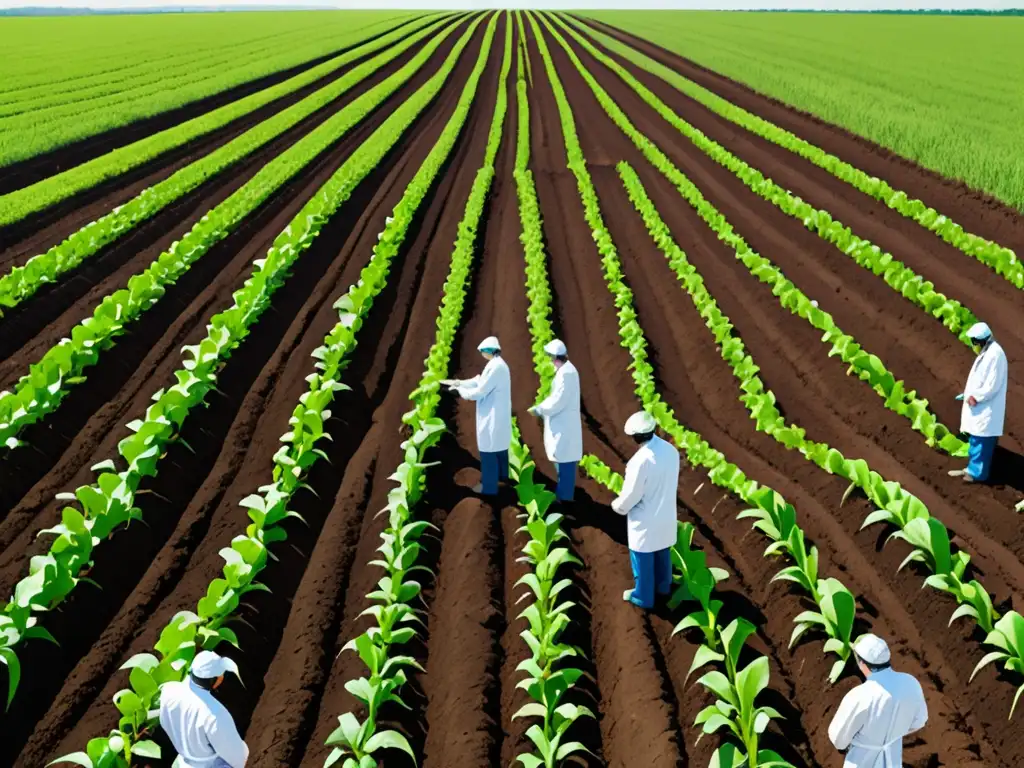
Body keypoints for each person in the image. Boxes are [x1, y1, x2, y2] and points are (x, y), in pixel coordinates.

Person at [610, 411, 680, 609]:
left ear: (634, 437)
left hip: (645, 518)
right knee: (662, 551)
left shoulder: (639, 462)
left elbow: (631, 495)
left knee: (643, 556)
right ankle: (663, 587)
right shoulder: (670, 450)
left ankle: (643, 596)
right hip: (665, 514)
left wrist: (618, 506)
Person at [828, 634, 928, 768]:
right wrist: (892, 734)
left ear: (862, 663)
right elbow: (920, 720)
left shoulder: (859, 695)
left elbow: (838, 740)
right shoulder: (910, 683)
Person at [158, 650, 249, 768]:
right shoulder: (214, 714)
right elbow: (238, 758)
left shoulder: (168, 691)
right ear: (214, 680)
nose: (222, 677)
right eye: (222, 674)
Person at [446, 336, 512, 495]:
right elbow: (479, 380)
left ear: (489, 351)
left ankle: (489, 488)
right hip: (498, 415)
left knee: (489, 451)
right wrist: (460, 383)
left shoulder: (496, 368)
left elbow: (480, 391)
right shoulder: (497, 365)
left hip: (493, 416)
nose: (482, 354)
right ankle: (503, 481)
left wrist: (461, 391)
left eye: (483, 352)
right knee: (500, 449)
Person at [949, 322, 1008, 484]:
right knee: (975, 440)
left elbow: (992, 385)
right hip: (978, 405)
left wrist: (977, 397)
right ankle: (970, 469)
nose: (973, 345)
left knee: (982, 442)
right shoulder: (987, 352)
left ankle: (978, 474)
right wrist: (968, 394)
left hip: (986, 408)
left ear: (983, 340)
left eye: (975, 341)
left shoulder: (996, 355)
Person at [528, 339, 582, 501]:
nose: (550, 361)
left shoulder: (566, 373)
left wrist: (539, 409)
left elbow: (558, 400)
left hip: (563, 426)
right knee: (564, 464)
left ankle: (564, 500)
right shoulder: (566, 370)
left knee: (564, 466)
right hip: (564, 425)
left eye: (551, 357)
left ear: (556, 358)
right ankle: (564, 496)